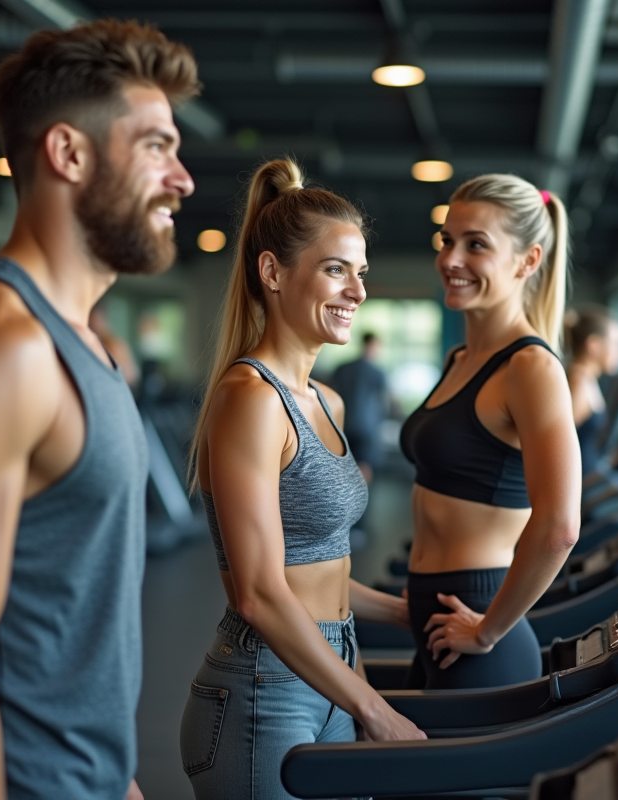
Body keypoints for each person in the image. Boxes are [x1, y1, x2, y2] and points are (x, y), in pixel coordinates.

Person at [0, 21, 197, 800]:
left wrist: (110, 771)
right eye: (157, 146)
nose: (183, 177)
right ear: (68, 153)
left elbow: (64, 603)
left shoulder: (85, 345)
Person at [181, 158, 425, 800]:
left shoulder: (327, 401)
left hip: (330, 669)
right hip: (265, 686)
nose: (358, 292)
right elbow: (259, 594)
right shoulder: (251, 398)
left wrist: (404, 613)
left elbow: (322, 570)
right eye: (336, 269)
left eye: (361, 273)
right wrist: (376, 709)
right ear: (273, 272)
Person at [400, 175, 581, 690]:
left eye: (476, 244)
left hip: (477, 625)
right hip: (436, 621)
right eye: (447, 241)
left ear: (527, 261)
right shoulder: (461, 358)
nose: (451, 259)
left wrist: (486, 632)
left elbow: (560, 526)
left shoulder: (531, 368)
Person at [565, 305, 618, 476]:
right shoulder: (577, 385)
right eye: (616, 345)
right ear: (594, 345)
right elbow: (555, 446)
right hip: (580, 487)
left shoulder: (586, 380)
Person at [331, 332, 390, 483]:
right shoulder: (377, 372)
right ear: (372, 345)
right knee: (363, 468)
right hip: (366, 428)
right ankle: (361, 503)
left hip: (342, 424)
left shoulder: (342, 368)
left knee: (343, 466)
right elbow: (385, 401)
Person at [89, 303, 141, 388]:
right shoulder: (88, 343)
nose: (93, 324)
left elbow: (131, 375)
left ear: (105, 320)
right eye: (91, 319)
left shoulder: (116, 344)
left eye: (96, 319)